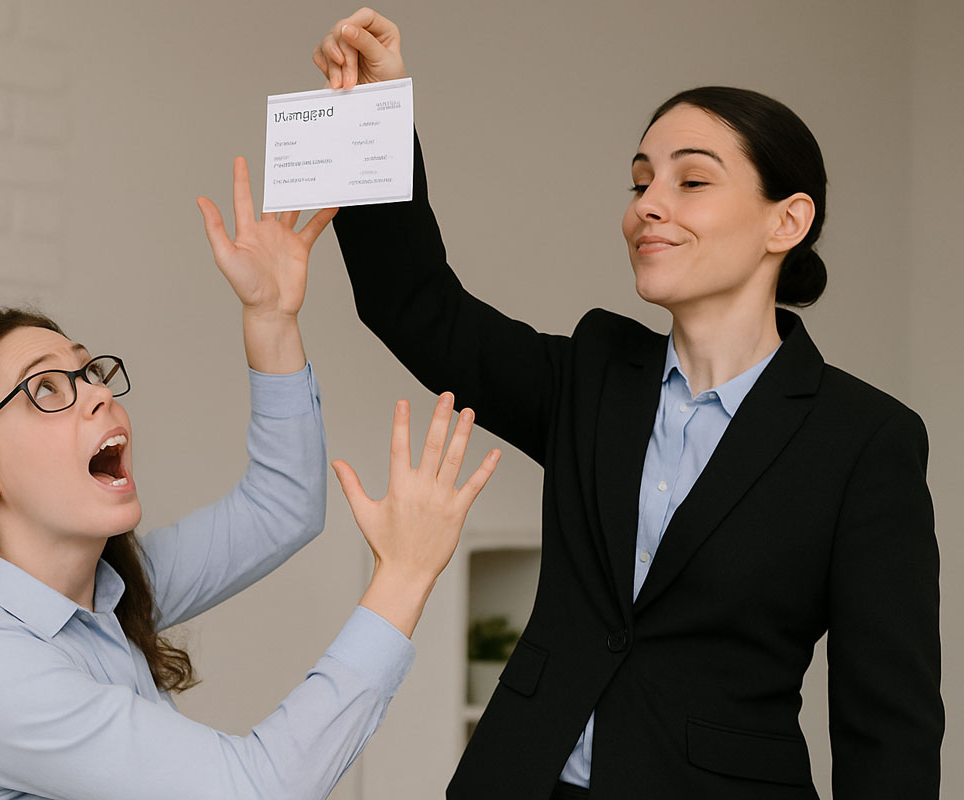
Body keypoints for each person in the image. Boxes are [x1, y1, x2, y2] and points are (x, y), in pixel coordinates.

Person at [313, 8, 943, 799]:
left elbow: (889, 727)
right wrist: (373, 115)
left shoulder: (865, 440)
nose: (649, 203)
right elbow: (413, 303)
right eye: (641, 180)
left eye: (692, 180)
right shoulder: (595, 376)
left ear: (788, 220)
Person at [0, 156, 501, 800]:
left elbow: (282, 507)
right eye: (46, 390)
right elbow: (254, 789)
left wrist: (269, 319)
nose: (95, 394)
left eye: (88, 371)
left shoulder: (104, 595)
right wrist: (405, 574)